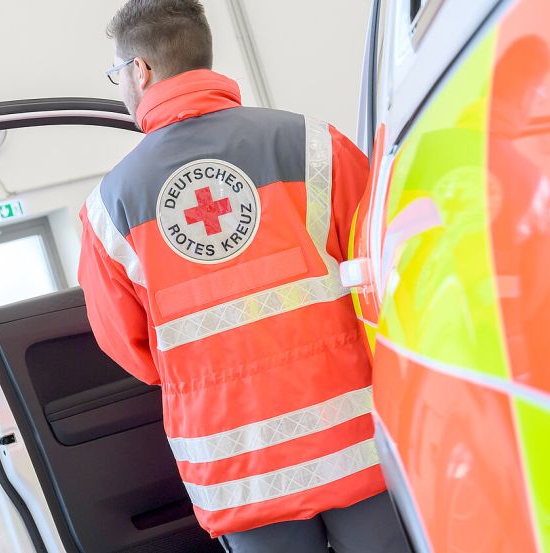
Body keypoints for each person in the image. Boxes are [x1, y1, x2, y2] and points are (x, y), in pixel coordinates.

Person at [77, 1, 409, 551]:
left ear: (142, 70)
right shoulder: (315, 145)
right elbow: (389, 269)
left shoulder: (108, 206)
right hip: (361, 445)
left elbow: (129, 347)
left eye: (118, 74)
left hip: (240, 472)